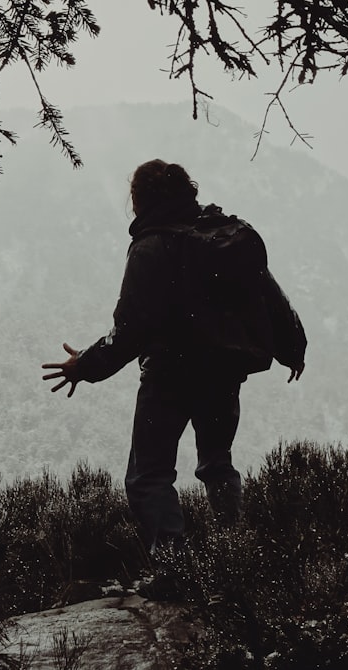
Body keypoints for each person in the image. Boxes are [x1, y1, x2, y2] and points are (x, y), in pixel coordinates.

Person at [42, 159, 306, 556]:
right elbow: (268, 293)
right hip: (223, 371)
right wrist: (293, 347)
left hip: (170, 375)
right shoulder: (223, 238)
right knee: (217, 464)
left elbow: (130, 330)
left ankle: (174, 568)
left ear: (142, 199)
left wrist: (85, 365)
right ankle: (236, 558)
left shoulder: (151, 246)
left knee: (147, 476)